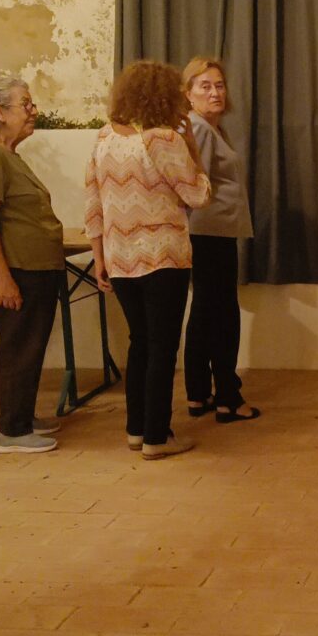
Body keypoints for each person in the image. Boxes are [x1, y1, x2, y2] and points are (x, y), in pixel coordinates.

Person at [85, 61, 212, 460]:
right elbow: (199, 195)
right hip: (163, 257)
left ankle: (136, 430)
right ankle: (158, 435)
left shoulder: (104, 137)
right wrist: (191, 147)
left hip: (119, 258)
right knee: (162, 347)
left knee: (139, 342)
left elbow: (93, 203)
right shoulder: (163, 139)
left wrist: (99, 256)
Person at [0, 76, 66, 455]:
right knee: (19, 347)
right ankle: (13, 431)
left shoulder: (5, 153)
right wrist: (3, 280)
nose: (34, 111)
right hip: (17, 269)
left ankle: (22, 416)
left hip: (31, 266)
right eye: (26, 104)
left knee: (29, 346)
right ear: (0, 112)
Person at [180, 57, 260, 423]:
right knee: (223, 316)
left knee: (205, 312)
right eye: (205, 86)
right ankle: (228, 397)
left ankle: (199, 393)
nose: (215, 92)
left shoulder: (210, 128)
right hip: (209, 234)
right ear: (188, 93)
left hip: (211, 232)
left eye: (219, 85)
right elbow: (194, 185)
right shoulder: (197, 128)